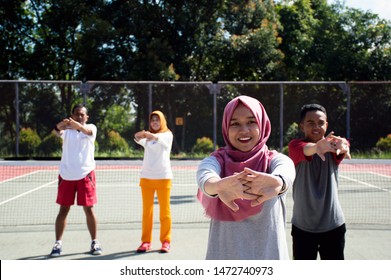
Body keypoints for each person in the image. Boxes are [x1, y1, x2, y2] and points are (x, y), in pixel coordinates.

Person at [196, 95, 296, 260]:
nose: (244, 130)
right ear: (226, 128)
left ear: (262, 124)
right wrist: (218, 186)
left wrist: (279, 182)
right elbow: (205, 175)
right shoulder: (217, 160)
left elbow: (286, 169)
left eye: (251, 121)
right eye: (235, 123)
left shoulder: (273, 160)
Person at [288, 104, 351, 260]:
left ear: (327, 125)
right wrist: (318, 147)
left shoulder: (333, 147)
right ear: (302, 126)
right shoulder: (295, 146)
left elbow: (342, 144)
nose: (316, 127)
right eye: (310, 123)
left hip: (333, 226)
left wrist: (345, 145)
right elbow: (307, 149)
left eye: (321, 123)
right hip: (303, 227)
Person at [49, 104, 102, 257]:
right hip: (66, 176)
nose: (79, 116)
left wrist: (75, 125)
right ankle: (57, 244)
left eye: (82, 114)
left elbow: (86, 130)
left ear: (87, 117)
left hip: (86, 174)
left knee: (89, 209)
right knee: (63, 210)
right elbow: (55, 131)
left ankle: (94, 242)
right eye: (76, 114)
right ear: (72, 115)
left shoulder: (91, 128)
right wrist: (63, 124)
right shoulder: (66, 132)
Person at [134, 110, 173, 253]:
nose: (154, 122)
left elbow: (159, 140)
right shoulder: (148, 139)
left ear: (162, 121)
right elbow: (137, 138)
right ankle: (146, 241)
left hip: (163, 178)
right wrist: (141, 135)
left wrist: (147, 135)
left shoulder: (167, 135)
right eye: (152, 120)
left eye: (157, 120)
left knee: (165, 212)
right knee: (147, 212)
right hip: (146, 178)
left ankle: (166, 241)